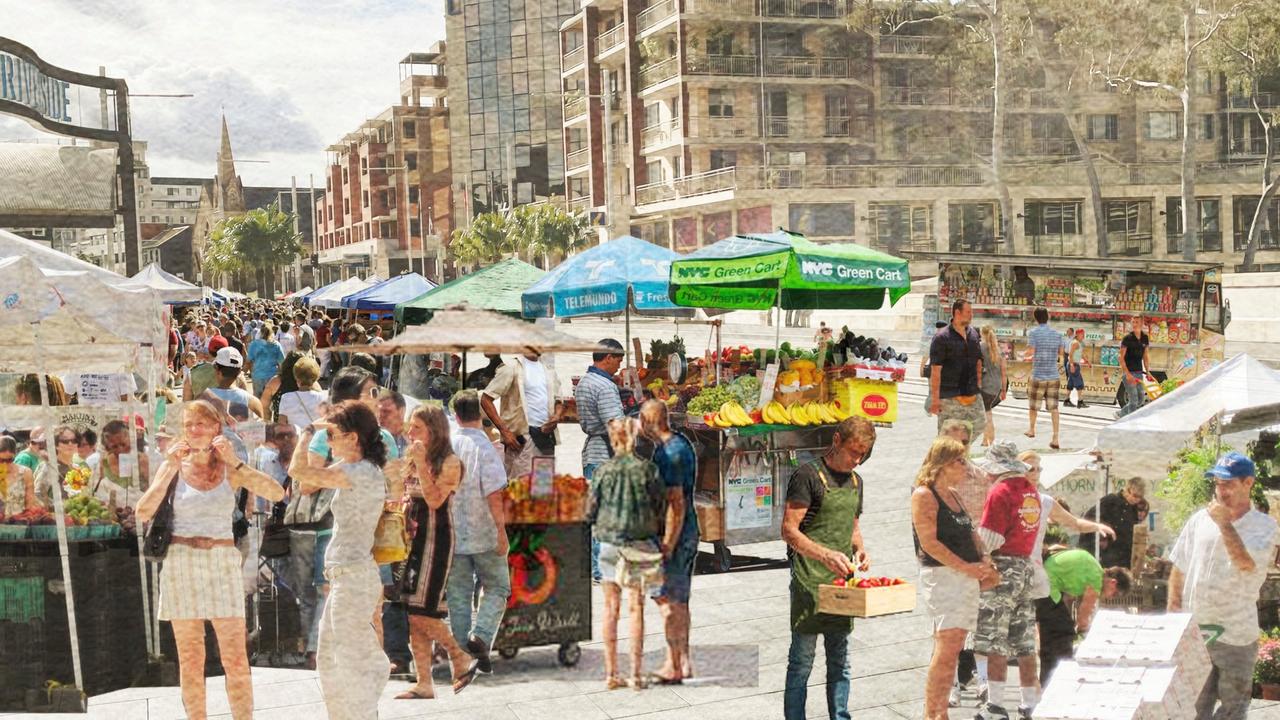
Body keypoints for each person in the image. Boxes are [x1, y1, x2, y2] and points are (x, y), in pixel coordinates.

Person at [135, 400, 284, 720]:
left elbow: (276, 493)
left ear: (217, 427)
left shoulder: (230, 465)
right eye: (188, 425)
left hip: (220, 560)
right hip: (181, 561)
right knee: (190, 658)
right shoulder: (172, 464)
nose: (194, 430)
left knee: (235, 656)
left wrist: (236, 462)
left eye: (201, 423)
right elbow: (143, 512)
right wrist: (170, 468)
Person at [288, 402, 392, 720]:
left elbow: (299, 474)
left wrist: (306, 435)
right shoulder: (359, 468)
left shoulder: (356, 471)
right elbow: (306, 484)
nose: (327, 440)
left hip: (353, 577)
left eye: (332, 435)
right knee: (333, 659)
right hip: (348, 577)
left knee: (348, 660)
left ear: (353, 437)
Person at [1168, 452, 1278, 720]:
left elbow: (1246, 565)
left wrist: (1225, 524)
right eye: (1217, 483)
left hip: (1236, 633)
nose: (1221, 490)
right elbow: (1179, 565)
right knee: (1193, 707)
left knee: (1233, 708)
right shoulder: (1199, 520)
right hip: (1196, 628)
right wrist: (1173, 611)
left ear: (1248, 483)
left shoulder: (1264, 526)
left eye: (1228, 483)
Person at [781, 417, 877, 720]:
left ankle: (840, 716)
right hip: (809, 580)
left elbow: (853, 526)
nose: (857, 460)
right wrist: (823, 555)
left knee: (840, 659)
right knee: (802, 660)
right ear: (836, 441)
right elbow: (789, 530)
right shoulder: (808, 476)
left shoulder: (856, 482)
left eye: (863, 454)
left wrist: (860, 549)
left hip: (841, 583)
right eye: (853, 452)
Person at [912, 436, 997, 720]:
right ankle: (932, 713)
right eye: (960, 460)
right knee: (947, 645)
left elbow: (971, 532)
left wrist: (984, 558)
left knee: (955, 645)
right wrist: (968, 567)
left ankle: (940, 712)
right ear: (944, 463)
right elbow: (929, 543)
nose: (965, 466)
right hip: (944, 576)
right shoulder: (925, 494)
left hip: (964, 576)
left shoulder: (954, 494)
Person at [396, 404, 478, 698]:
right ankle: (424, 682)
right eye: (409, 427)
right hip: (412, 542)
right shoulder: (413, 458)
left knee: (421, 612)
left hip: (436, 539)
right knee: (413, 611)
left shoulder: (450, 461)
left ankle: (459, 655)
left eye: (416, 428)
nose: (410, 433)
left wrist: (420, 464)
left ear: (434, 430)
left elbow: (434, 501)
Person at [589, 417, 666, 691]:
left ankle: (611, 674)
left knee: (610, 609)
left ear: (612, 440)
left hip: (609, 542)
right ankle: (635, 674)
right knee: (636, 608)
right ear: (634, 439)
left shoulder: (602, 471)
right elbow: (660, 508)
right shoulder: (647, 470)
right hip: (638, 543)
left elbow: (590, 511)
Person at [973, 442, 1041, 720]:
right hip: (1024, 568)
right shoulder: (1030, 491)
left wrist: (972, 545)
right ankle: (1029, 703)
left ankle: (996, 705)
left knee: (994, 639)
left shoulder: (1000, 492)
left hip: (1002, 569)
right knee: (1025, 641)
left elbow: (990, 539)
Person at [446, 391, 511, 676]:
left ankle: (462, 655)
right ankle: (481, 635)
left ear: (455, 415)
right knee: (497, 587)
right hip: (483, 530)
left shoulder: (446, 445)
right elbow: (494, 494)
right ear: (480, 415)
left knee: (458, 593)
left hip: (453, 532)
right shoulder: (485, 448)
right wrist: (501, 530)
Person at [639, 399, 698, 684]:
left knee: (669, 602)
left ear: (649, 421)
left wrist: (667, 544)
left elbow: (676, 503)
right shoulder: (680, 442)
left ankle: (673, 664)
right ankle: (682, 661)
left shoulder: (668, 454)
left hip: (676, 536)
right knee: (680, 600)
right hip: (686, 533)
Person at [1035, 548, 1131, 685]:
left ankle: (1045, 683)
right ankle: (1057, 683)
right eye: (1114, 594)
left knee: (1052, 637)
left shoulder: (1094, 568)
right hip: (1048, 584)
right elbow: (1083, 617)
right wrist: (1084, 632)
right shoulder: (1096, 580)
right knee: (1063, 636)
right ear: (1113, 582)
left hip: (1045, 580)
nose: (1110, 597)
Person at [576, 338, 627, 583]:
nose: (619, 365)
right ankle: (601, 570)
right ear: (608, 357)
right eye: (618, 359)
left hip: (592, 454)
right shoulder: (605, 386)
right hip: (604, 454)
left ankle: (595, 567)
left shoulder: (586, 381)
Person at [481, 350, 563, 478]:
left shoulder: (549, 370)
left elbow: (559, 400)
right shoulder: (511, 368)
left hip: (546, 438)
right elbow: (486, 399)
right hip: (523, 439)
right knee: (520, 488)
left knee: (543, 488)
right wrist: (505, 432)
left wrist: (556, 416)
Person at [928, 299, 985, 439]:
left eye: (972, 312)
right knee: (946, 435)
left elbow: (978, 359)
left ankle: (960, 454)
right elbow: (935, 370)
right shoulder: (941, 338)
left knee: (979, 424)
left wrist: (978, 383)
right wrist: (935, 399)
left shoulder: (973, 334)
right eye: (968, 312)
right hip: (950, 395)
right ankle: (941, 459)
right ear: (957, 312)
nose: (971, 315)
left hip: (972, 392)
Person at [1078, 477, 1146, 569]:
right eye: (1135, 496)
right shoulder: (1111, 501)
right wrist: (1103, 534)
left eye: (1140, 497)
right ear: (1127, 490)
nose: (1137, 500)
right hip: (1108, 556)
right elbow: (1090, 518)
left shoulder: (1133, 508)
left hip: (1124, 558)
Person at [1023, 307, 1063, 450]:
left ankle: (1032, 429)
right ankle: (1056, 437)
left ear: (1035, 318)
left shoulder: (1033, 333)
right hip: (1053, 375)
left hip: (1038, 375)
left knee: (1033, 406)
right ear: (1048, 317)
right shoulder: (1057, 334)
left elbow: (1031, 351)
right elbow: (1061, 353)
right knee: (1054, 408)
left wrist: (1024, 355)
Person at [206, 347, 264, 422]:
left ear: (216, 369)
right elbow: (261, 431)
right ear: (239, 372)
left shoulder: (203, 399)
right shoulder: (253, 402)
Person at [276, 355, 327, 429]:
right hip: (315, 438)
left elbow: (281, 424)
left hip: (296, 438)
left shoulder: (286, 397)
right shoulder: (322, 398)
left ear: (296, 377)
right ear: (315, 378)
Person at [1116, 317, 1150, 419]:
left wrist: (1148, 371)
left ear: (1142, 323)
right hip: (1129, 373)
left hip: (1139, 372)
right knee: (1134, 400)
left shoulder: (1145, 338)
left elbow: (1146, 356)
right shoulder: (1127, 338)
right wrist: (1127, 374)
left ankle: (1121, 414)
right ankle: (1130, 422)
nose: (1134, 324)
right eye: (1133, 322)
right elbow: (1120, 357)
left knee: (1140, 399)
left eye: (1137, 322)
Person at [978, 326, 1006, 447]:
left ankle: (991, 440)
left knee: (986, 414)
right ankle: (986, 439)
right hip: (996, 386)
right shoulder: (999, 350)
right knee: (987, 411)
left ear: (981, 333)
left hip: (985, 385)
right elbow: (1004, 373)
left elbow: (977, 368)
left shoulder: (980, 348)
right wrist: (1003, 390)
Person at [260, 351, 305, 422]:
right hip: (305, 425)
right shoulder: (309, 382)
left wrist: (268, 424)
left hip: (281, 427)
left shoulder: (275, 382)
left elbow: (264, 407)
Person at [0, 435, 37, 515]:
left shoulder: (25, 473)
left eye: (9, 460)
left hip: (18, 522)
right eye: (1, 460)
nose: (5, 464)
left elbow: (30, 503)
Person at [248, 321, 285, 396]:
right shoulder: (276, 345)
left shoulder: (254, 344)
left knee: (258, 399)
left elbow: (248, 361)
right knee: (271, 400)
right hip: (272, 376)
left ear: (260, 332)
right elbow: (282, 362)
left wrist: (252, 372)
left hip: (257, 376)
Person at [1064, 328, 1089, 408]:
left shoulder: (1079, 343)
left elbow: (1081, 354)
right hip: (1073, 365)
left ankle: (1066, 401)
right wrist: (1071, 365)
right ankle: (1080, 401)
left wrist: (1087, 362)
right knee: (1079, 384)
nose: (1084, 336)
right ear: (1077, 334)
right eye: (1082, 334)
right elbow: (1070, 355)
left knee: (1070, 383)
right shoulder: (1075, 343)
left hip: (1073, 364)